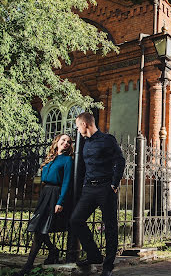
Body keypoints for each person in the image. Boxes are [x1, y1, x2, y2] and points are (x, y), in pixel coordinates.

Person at [70, 112, 125, 276]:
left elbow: (120, 160)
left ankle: (108, 266)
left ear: (84, 124)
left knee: (110, 226)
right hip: (89, 189)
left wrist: (114, 183)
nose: (77, 130)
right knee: (76, 220)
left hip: (106, 188)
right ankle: (94, 255)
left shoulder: (107, 139)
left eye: (77, 126)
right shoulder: (85, 143)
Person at [14, 134, 73, 276]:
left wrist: (60, 201)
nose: (66, 143)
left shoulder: (67, 160)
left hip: (55, 194)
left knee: (40, 229)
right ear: (57, 141)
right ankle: (53, 250)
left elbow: (66, 182)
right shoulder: (50, 158)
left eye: (69, 142)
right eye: (63, 140)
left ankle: (27, 267)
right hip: (45, 193)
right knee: (38, 227)